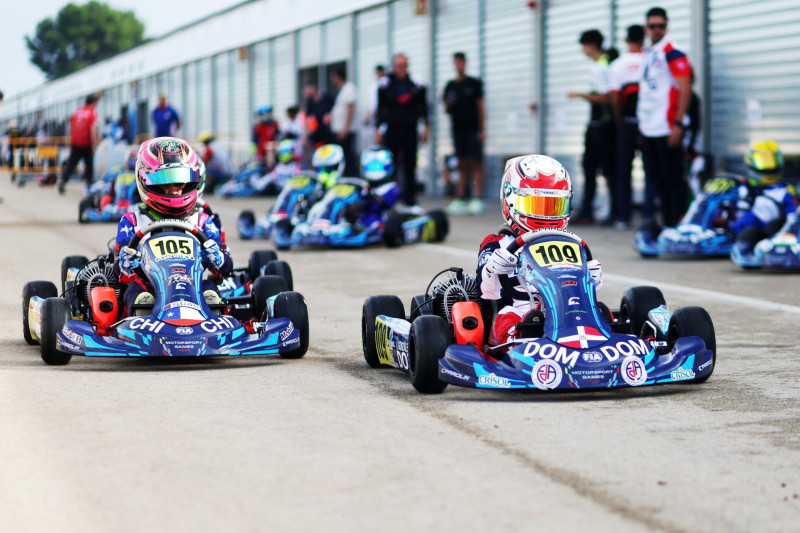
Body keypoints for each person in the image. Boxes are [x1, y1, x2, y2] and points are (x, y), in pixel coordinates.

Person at [477, 155, 602, 345]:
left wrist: (592, 279)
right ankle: (519, 346)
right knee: (510, 317)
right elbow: (486, 293)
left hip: (565, 311)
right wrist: (493, 268)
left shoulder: (572, 244)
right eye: (535, 205)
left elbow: (583, 293)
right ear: (509, 200)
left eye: (553, 207)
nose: (544, 216)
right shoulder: (497, 244)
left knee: (602, 312)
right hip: (519, 312)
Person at [115, 137, 232, 314]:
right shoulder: (132, 221)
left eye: (180, 180)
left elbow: (225, 269)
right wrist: (125, 263)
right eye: (164, 181)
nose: (174, 189)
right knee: (136, 292)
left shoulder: (202, 221)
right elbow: (118, 273)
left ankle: (213, 324)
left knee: (210, 290)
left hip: (194, 287)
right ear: (145, 179)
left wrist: (218, 258)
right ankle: (142, 324)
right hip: (150, 286)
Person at [637, 6, 692, 228]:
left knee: (673, 179)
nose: (657, 29)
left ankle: (678, 223)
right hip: (649, 127)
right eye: (653, 26)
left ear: (666, 26)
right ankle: (667, 224)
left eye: (661, 26)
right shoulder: (649, 52)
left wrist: (678, 124)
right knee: (656, 178)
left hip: (667, 127)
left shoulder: (673, 51)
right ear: (646, 27)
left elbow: (685, 89)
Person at [568, 29, 616, 225]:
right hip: (596, 125)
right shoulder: (601, 64)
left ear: (592, 45)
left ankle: (611, 210)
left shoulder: (603, 65)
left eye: (584, 45)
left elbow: (606, 97)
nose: (582, 49)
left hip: (603, 126)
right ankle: (588, 209)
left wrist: (580, 95)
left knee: (606, 169)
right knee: (589, 166)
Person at [376, 53, 431, 214]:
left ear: (407, 66)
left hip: (409, 129)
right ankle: (390, 200)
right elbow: (379, 110)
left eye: (403, 65)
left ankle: (410, 201)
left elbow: (425, 108)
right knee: (390, 166)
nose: (401, 68)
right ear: (393, 67)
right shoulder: (385, 85)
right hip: (392, 129)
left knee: (410, 165)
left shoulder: (416, 85)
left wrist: (426, 128)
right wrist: (378, 130)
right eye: (398, 65)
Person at [608, 24, 645, 230]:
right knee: (652, 170)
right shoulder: (649, 59)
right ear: (643, 38)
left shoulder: (618, 64)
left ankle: (623, 217)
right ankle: (650, 215)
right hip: (649, 124)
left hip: (627, 123)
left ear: (626, 40)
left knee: (623, 171)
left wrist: (619, 121)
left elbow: (614, 99)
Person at [443, 52, 486, 217]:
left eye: (461, 62)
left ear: (465, 64)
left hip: (473, 130)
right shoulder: (450, 86)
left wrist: (481, 129)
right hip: (458, 130)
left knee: (475, 162)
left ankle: (477, 198)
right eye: (456, 63)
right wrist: (448, 104)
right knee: (461, 164)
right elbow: (446, 109)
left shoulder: (473, 84)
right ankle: (460, 197)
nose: (458, 65)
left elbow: (480, 106)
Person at [729, 141, 796, 238]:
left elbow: (793, 220)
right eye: (765, 158)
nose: (769, 162)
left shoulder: (784, 191)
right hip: (733, 238)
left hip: (767, 239)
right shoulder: (740, 188)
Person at [58, 93, 100, 194]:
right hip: (86, 143)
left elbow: (69, 127)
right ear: (94, 103)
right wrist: (94, 144)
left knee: (71, 165)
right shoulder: (92, 113)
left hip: (75, 143)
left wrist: (70, 143)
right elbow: (93, 129)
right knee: (89, 165)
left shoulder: (77, 112)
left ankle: (63, 181)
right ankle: (88, 186)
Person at [330, 69, 358, 176]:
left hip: (346, 131)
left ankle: (350, 178)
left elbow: (351, 109)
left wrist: (345, 129)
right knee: (342, 157)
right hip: (340, 130)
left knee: (348, 157)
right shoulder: (342, 90)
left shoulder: (348, 88)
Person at [302, 83, 334, 159]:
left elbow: (336, 110)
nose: (305, 94)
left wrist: (330, 115)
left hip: (328, 134)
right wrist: (305, 136)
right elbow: (307, 119)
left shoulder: (326, 98)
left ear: (313, 89)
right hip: (317, 135)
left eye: (306, 91)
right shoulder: (309, 103)